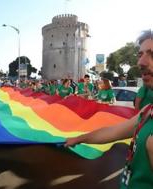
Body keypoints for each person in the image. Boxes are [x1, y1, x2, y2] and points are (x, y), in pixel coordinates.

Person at [65, 29, 153, 189]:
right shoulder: (147, 111)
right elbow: (113, 132)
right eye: (140, 55)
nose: (141, 62)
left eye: (152, 54)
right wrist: (79, 139)